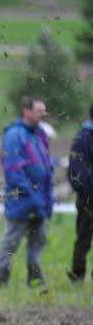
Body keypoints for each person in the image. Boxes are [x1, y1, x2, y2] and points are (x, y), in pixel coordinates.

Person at [0, 96, 54, 286]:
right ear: (26, 111)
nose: (43, 114)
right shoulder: (14, 135)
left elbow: (46, 166)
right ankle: (0, 282)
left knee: (38, 242)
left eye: (44, 111)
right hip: (21, 199)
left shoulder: (39, 134)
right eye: (39, 111)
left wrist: (46, 197)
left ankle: (35, 281)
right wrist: (32, 194)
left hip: (40, 199)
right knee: (11, 242)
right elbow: (13, 171)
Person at [67, 103, 93, 282]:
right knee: (83, 237)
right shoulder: (84, 136)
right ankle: (78, 275)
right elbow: (76, 170)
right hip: (87, 197)